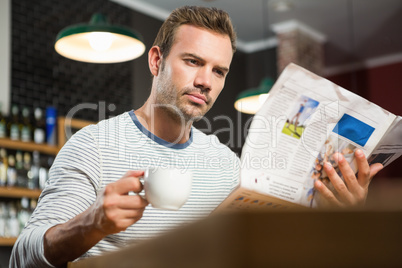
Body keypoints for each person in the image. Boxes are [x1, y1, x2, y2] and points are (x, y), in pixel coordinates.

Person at [10, 6, 383, 268]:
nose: (206, 81)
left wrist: (338, 215)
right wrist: (90, 223)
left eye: (219, 71)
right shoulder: (93, 146)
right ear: (157, 61)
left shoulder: (226, 164)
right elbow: (21, 257)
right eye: (192, 61)